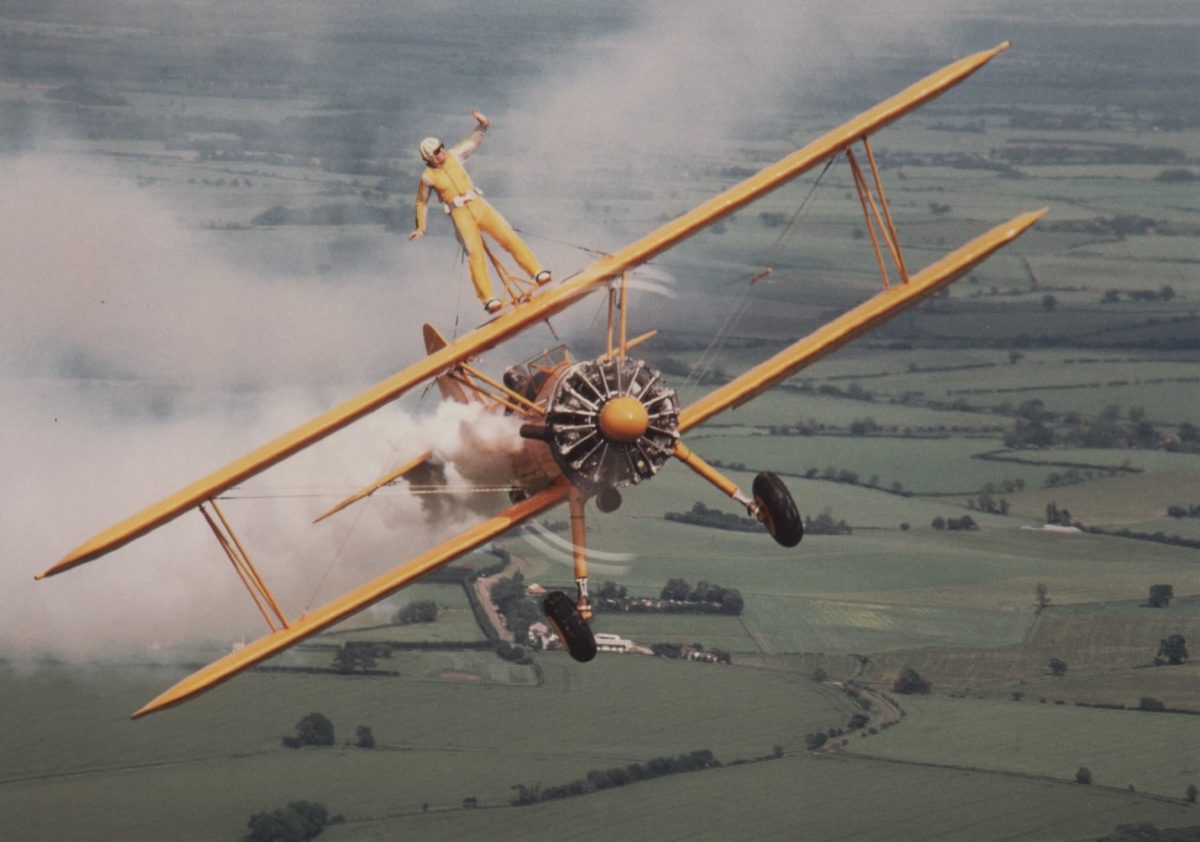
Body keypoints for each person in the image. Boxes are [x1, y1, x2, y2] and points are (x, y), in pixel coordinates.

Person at [409, 110, 550, 314]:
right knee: (476, 255)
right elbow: (421, 201)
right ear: (430, 158)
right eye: (437, 152)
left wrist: (483, 125)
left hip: (478, 205)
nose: (442, 152)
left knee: (508, 236)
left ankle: (537, 271)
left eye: (442, 148)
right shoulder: (428, 176)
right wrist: (420, 228)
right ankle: (488, 299)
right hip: (460, 215)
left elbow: (471, 143)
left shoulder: (454, 157)